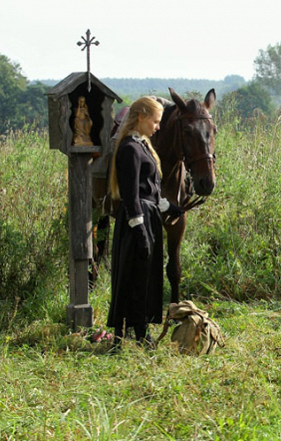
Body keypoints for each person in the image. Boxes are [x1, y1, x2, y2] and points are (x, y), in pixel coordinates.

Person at [106, 96, 183, 349]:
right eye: (155, 121)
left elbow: (150, 191)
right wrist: (138, 228)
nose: (158, 126)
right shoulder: (129, 148)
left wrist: (170, 207)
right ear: (141, 117)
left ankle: (138, 331)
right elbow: (131, 194)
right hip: (135, 221)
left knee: (145, 276)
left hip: (148, 218)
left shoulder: (143, 146)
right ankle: (133, 334)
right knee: (134, 277)